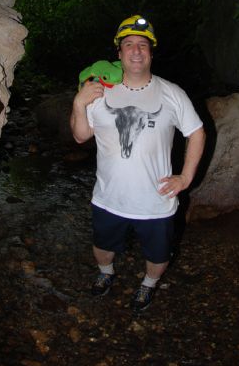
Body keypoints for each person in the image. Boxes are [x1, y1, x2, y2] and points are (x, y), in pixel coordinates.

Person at [70, 15, 206, 312]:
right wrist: (79, 104)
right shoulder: (99, 91)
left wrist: (185, 178)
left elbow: (196, 132)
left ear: (151, 53)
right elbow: (81, 136)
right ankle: (106, 273)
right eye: (128, 44)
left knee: (158, 255)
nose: (135, 50)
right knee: (102, 248)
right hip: (108, 197)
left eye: (142, 45)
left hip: (156, 201)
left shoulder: (172, 93)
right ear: (118, 53)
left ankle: (148, 285)